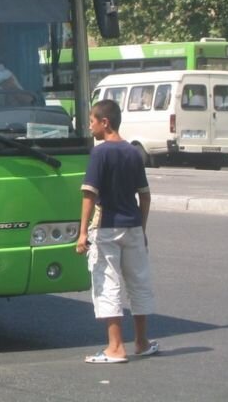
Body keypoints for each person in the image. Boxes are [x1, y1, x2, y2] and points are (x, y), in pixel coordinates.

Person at [76, 99, 159, 364]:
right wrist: (142, 228)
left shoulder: (100, 154)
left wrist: (82, 233)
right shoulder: (134, 152)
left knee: (107, 284)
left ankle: (115, 347)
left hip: (107, 228)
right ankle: (142, 342)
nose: (90, 128)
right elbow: (144, 196)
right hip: (133, 226)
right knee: (138, 283)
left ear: (105, 122)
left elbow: (89, 195)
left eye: (91, 122)